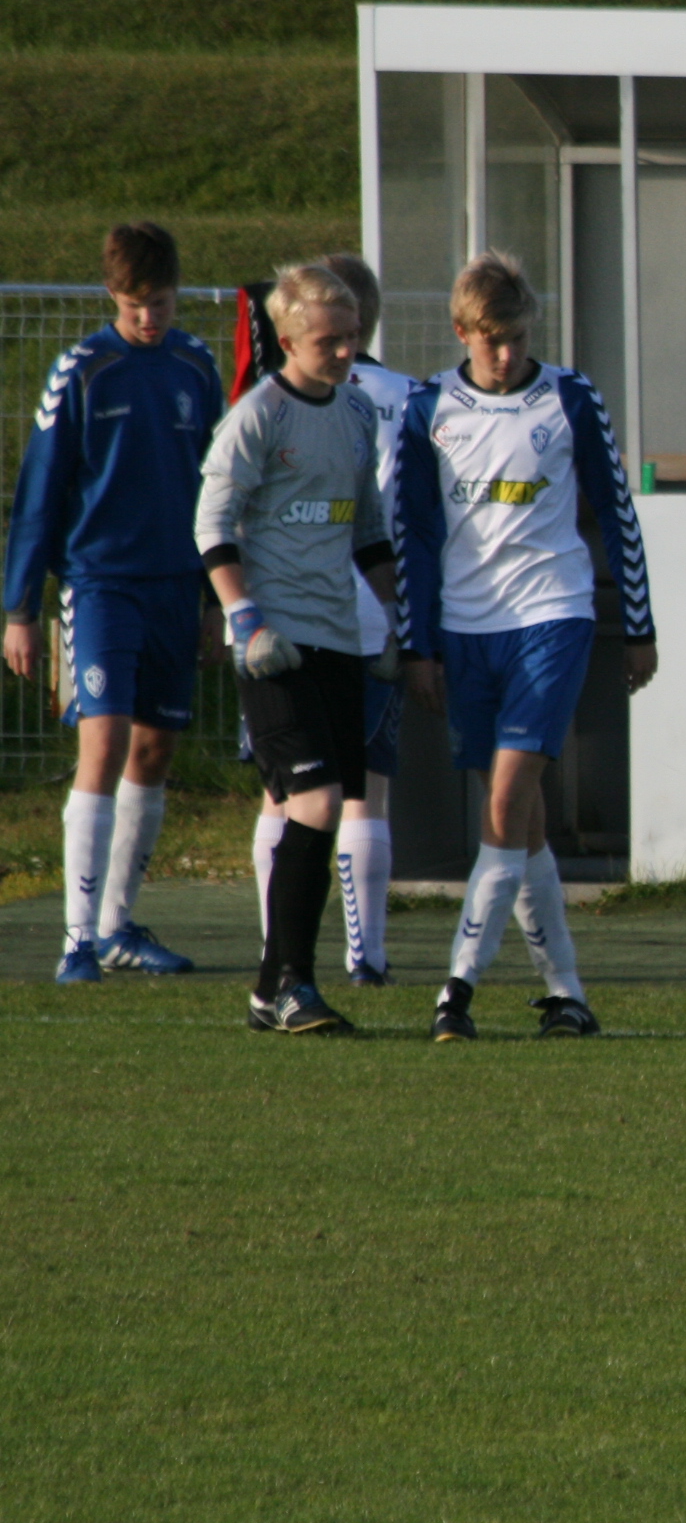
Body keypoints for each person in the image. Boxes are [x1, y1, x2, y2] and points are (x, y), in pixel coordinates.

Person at [396, 252, 656, 1043]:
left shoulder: (570, 398)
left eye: (517, 337)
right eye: (491, 340)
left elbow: (617, 511)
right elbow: (415, 534)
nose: (506, 353)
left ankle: (456, 989)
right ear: (461, 332)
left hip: (553, 617)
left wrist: (640, 626)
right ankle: (565, 993)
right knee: (522, 818)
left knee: (506, 802)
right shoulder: (428, 407)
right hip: (467, 630)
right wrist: (418, 645)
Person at [5, 222, 223, 984]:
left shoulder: (197, 365)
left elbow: (217, 491)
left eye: (160, 303)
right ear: (112, 296)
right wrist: (20, 610)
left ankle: (118, 925)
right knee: (102, 743)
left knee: (155, 750)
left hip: (176, 585)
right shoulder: (83, 371)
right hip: (100, 584)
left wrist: (214, 599)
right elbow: (39, 492)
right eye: (135, 306)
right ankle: (77, 941)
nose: (149, 318)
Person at [194, 263, 404, 1035]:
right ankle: (292, 983)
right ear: (287, 341)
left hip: (338, 638)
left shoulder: (356, 412)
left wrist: (393, 621)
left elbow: (368, 526)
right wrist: (245, 620)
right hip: (273, 644)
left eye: (353, 337)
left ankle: (271, 989)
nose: (346, 352)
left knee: (322, 807)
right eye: (328, 341)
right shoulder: (259, 416)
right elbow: (211, 525)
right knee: (313, 801)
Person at [287, 251, 415, 987]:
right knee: (366, 788)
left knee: (285, 788)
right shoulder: (409, 397)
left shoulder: (279, 398)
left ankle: (281, 949)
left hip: (293, 610)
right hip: (375, 609)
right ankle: (366, 956)